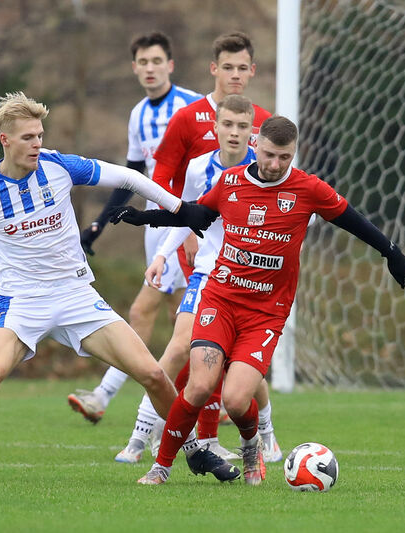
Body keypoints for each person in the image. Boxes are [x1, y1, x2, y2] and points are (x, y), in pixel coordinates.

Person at [0, 92, 226, 482]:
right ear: (5, 140)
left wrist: (180, 209)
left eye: (40, 135)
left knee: (150, 373)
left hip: (76, 294)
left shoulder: (60, 166)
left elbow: (129, 177)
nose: (37, 144)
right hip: (22, 301)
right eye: (28, 137)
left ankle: (194, 449)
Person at [110, 115, 405, 485]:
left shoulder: (308, 189)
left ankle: (252, 444)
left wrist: (391, 252)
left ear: (294, 153)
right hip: (220, 299)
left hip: (266, 313)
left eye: (285, 157)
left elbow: (352, 220)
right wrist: (143, 218)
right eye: (269, 155)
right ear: (255, 146)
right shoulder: (230, 183)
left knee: (236, 401)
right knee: (200, 385)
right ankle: (161, 467)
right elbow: (195, 214)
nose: (275, 165)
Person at [114, 95, 281, 465]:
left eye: (242, 126)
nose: (235, 133)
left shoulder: (264, 167)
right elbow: (186, 215)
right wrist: (160, 255)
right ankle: (139, 437)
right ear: (215, 127)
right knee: (176, 350)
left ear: (251, 131)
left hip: (251, 280)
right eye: (228, 125)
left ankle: (267, 435)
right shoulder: (197, 168)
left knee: (242, 366)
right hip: (208, 274)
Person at [68, 32, 202, 424]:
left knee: (148, 309)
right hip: (156, 225)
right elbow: (132, 177)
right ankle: (201, 403)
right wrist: (97, 226)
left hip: (185, 224)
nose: (149, 68)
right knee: (185, 317)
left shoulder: (191, 105)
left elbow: (204, 173)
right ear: (134, 68)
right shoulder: (138, 114)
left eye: (156, 61)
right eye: (142, 62)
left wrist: (194, 227)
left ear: (170, 65)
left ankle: (107, 396)